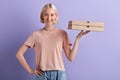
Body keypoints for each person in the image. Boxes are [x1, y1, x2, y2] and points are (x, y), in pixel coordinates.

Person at [16, 3, 90, 80]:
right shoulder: (35, 35)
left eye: (52, 15)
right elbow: (19, 54)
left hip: (60, 75)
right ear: (42, 16)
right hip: (42, 75)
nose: (49, 18)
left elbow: (71, 58)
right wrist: (31, 71)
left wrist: (78, 38)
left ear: (55, 16)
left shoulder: (62, 34)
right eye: (46, 15)